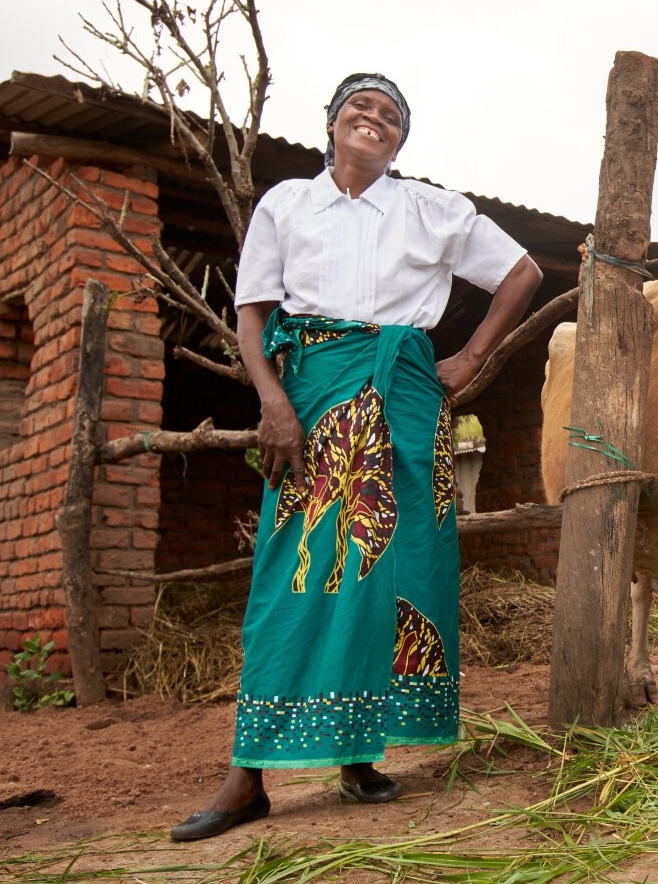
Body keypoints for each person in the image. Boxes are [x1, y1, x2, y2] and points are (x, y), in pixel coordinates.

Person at [170, 73, 543, 841]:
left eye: (391, 116)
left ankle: (359, 754)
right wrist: (274, 403)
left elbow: (524, 272)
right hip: (313, 395)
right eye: (359, 109)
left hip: (408, 392)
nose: (373, 120)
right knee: (295, 573)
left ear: (401, 139)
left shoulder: (429, 208)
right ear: (333, 124)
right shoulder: (285, 204)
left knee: (401, 568)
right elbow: (251, 313)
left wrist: (470, 358)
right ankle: (248, 776)